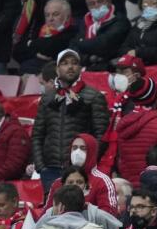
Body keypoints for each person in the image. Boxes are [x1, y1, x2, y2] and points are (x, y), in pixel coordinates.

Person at [31, 49, 109, 189]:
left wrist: (88, 162)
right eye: (65, 63)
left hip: (79, 169)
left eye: (74, 63)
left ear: (80, 68)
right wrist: (41, 166)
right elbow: (37, 134)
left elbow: (102, 135)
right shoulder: (47, 98)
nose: (70, 67)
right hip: (50, 168)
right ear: (57, 68)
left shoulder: (94, 96)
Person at [71, 0, 131, 71]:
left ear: (109, 1)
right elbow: (73, 50)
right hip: (89, 68)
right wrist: (89, 58)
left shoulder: (120, 21)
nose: (96, 6)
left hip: (112, 69)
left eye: (100, 1)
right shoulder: (85, 23)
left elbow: (102, 44)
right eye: (92, 3)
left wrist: (79, 43)